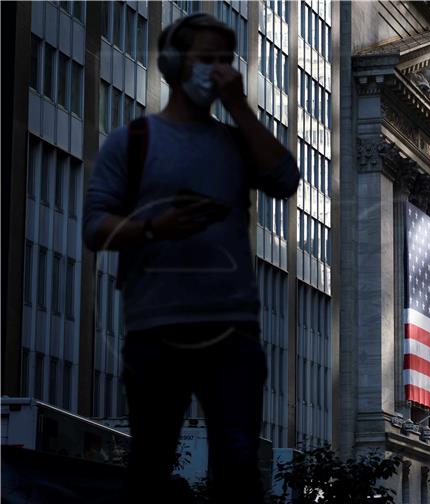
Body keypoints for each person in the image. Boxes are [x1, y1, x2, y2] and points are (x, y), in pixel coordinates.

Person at [82, 13, 299, 504]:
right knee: (150, 465)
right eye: (207, 59)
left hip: (232, 331)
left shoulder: (235, 145)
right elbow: (95, 227)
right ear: (176, 64)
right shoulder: (132, 143)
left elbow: (285, 179)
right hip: (155, 329)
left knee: (240, 469)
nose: (218, 70)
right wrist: (154, 227)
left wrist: (239, 106)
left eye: (226, 60)